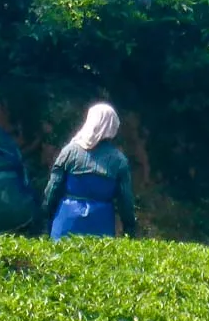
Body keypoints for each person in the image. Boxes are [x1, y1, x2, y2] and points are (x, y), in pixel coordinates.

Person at [42, 103, 138, 240]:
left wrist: (45, 217)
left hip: (66, 223)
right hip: (101, 224)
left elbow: (53, 189)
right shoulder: (119, 160)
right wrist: (129, 228)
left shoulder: (69, 152)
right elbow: (125, 201)